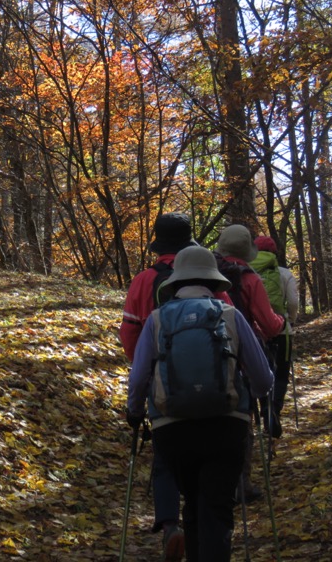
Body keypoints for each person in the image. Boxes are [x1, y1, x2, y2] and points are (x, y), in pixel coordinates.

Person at [126, 245, 273, 562]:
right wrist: (258, 397)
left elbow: (138, 379)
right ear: (214, 282)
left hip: (172, 428)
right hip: (227, 422)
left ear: (176, 283)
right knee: (217, 508)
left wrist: (135, 412)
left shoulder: (156, 320)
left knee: (192, 503)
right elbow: (262, 377)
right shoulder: (230, 316)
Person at [119, 213, 230, 561]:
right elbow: (230, 333)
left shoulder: (143, 281)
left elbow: (129, 334)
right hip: (216, 393)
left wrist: (147, 370)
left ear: (158, 243)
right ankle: (204, 530)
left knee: (165, 460)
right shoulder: (215, 289)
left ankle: (170, 525)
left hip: (161, 387)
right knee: (209, 466)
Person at [213, 224, 285, 502]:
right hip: (240, 356)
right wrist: (280, 324)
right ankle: (240, 482)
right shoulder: (249, 278)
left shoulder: (209, 272)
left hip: (209, 354)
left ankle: (213, 478)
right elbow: (268, 323)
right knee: (242, 419)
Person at [250, 236, 299, 438]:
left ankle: (264, 407)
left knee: (262, 372)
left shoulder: (246, 273)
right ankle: (274, 411)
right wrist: (291, 319)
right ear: (275, 253)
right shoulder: (284, 273)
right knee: (281, 372)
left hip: (256, 331)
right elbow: (293, 302)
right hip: (282, 330)